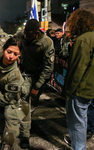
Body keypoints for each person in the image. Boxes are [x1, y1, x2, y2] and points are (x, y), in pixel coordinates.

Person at [62, 9, 94, 150]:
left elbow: (76, 70)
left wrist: (67, 92)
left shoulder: (82, 40)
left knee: (77, 124)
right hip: (91, 87)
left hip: (80, 89)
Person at [16, 19, 55, 108]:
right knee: (22, 97)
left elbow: (48, 67)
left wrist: (37, 87)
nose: (26, 37)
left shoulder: (46, 43)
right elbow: (11, 41)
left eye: (29, 35)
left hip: (38, 75)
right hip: (24, 72)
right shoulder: (22, 34)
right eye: (25, 34)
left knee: (33, 100)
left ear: (37, 32)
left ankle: (28, 116)